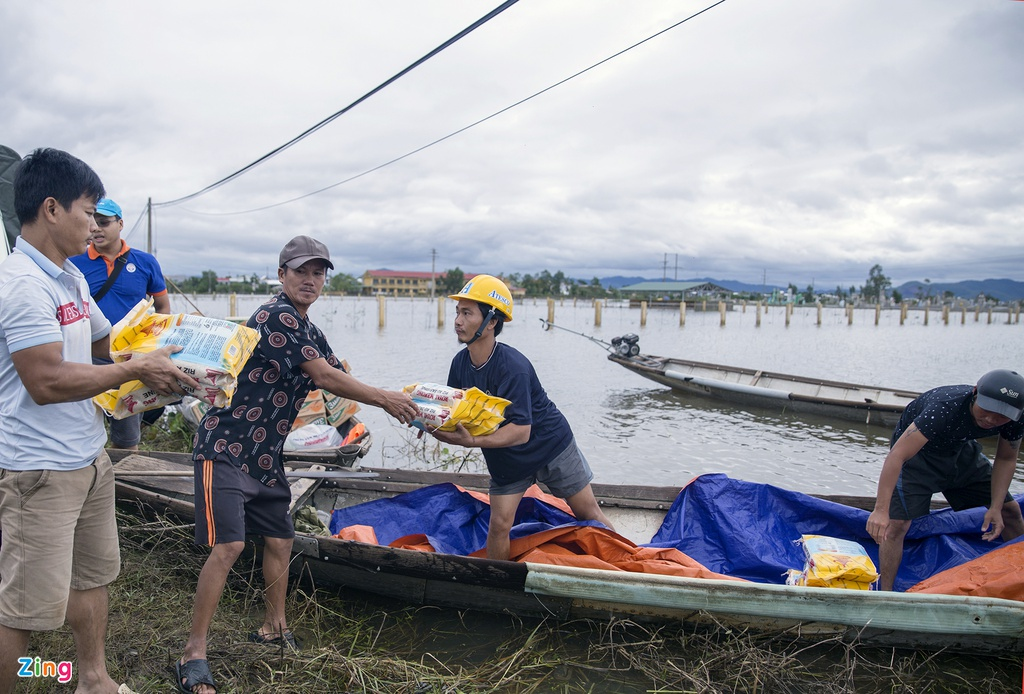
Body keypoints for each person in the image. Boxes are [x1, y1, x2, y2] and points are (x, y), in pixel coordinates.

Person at [177, 235, 418, 694]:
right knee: (228, 548)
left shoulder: (308, 326)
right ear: (282, 274)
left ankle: (274, 626)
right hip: (225, 448)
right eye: (301, 271)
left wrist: (413, 401)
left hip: (265, 457)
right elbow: (324, 377)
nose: (310, 280)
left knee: (281, 541)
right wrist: (385, 399)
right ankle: (194, 653)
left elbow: (336, 372)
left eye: (319, 273)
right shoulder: (275, 315)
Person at [0, 148, 199, 694]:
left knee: (93, 577)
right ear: (51, 209)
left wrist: (174, 353)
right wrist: (134, 369)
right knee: (23, 607)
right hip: (38, 471)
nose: (95, 225)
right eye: (88, 211)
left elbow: (104, 342)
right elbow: (48, 382)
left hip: (87, 457)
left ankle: (91, 679)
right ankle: (28, 677)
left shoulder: (69, 278)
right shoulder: (23, 285)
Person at [427, 275, 615, 561]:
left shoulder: (513, 367)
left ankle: (629, 563)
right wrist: (429, 422)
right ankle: (497, 584)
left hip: (550, 445)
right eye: (457, 312)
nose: (457, 321)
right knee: (499, 525)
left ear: (491, 321)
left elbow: (521, 432)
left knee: (587, 512)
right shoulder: (459, 364)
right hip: (506, 458)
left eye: (467, 313)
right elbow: (455, 413)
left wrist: (472, 441)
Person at [866, 369, 1024, 591]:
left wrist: (996, 507)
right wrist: (881, 510)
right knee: (896, 525)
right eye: (986, 410)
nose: (990, 419)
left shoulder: (1016, 417)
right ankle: (886, 594)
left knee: (1011, 512)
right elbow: (897, 456)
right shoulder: (944, 407)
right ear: (975, 393)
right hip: (917, 457)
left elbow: (1006, 458)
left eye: (1000, 416)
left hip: (960, 450)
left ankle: (1019, 580)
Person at [70, 197, 171, 450]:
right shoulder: (74, 261)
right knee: (79, 427)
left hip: (129, 359)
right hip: (86, 357)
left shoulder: (145, 262)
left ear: (120, 224)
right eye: (93, 221)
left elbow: (163, 307)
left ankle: (123, 483)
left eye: (104, 222)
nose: (96, 228)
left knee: (126, 438)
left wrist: (153, 346)